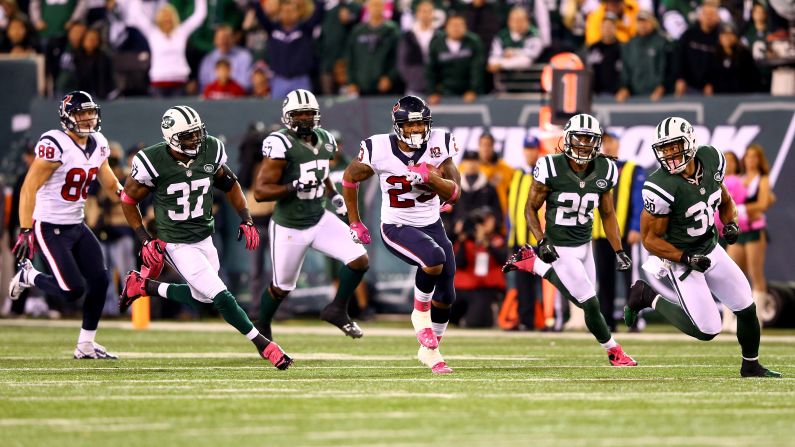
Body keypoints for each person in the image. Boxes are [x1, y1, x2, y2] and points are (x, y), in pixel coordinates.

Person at [116, 105, 292, 370]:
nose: (195, 140)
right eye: (188, 136)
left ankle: (143, 286)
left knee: (204, 297)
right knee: (222, 296)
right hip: (175, 241)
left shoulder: (210, 148)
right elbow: (128, 199)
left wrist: (246, 218)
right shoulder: (152, 161)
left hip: (204, 236)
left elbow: (231, 184)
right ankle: (264, 345)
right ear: (171, 137)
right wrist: (144, 238)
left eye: (197, 133)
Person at [626, 116, 780, 378]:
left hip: (710, 247)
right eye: (664, 148)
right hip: (681, 257)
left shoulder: (711, 160)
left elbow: (725, 199)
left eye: (675, 146)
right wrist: (685, 258)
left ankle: (751, 365)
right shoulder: (660, 186)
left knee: (746, 307)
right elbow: (650, 239)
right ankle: (646, 296)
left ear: (690, 142)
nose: (670, 154)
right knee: (707, 330)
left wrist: (730, 223)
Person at [502, 113, 637, 367]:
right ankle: (614, 351)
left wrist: (618, 250)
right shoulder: (550, 166)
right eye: (580, 138)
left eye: (590, 139)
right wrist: (542, 240)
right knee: (590, 303)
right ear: (567, 139)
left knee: (584, 301)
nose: (584, 144)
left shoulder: (606, 169)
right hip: (560, 244)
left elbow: (607, 213)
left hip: (585, 243)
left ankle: (535, 265)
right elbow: (530, 208)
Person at [341, 95, 462, 374]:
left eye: (421, 125)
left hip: (431, 223)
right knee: (434, 257)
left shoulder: (439, 144)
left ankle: (431, 353)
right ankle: (420, 316)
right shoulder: (378, 147)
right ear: (398, 127)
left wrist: (432, 179)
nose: (417, 130)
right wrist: (355, 221)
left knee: (447, 295)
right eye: (410, 126)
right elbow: (349, 178)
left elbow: (456, 192)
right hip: (396, 225)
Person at [9, 91, 123, 359]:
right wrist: (26, 229)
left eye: (89, 112)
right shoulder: (55, 143)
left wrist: (129, 196)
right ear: (67, 117)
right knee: (73, 291)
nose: (87, 118)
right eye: (80, 113)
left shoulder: (98, 143)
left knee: (100, 280)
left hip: (77, 224)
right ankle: (29, 276)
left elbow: (109, 184)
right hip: (49, 226)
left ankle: (85, 344)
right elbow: (28, 188)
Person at [252, 89, 369, 340]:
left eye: (309, 114)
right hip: (290, 226)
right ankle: (262, 324)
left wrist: (333, 194)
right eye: (299, 114)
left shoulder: (326, 139)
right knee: (281, 287)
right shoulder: (280, 143)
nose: (305, 119)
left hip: (319, 217)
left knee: (359, 259)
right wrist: (292, 186)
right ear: (287, 117)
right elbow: (261, 192)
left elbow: (322, 170)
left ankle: (337, 309)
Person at [591, 131, 645, 331]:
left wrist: (635, 227)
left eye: (610, 141)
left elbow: (639, 201)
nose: (607, 146)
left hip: (623, 235)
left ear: (618, 144)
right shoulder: (596, 169)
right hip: (601, 234)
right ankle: (607, 321)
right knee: (604, 279)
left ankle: (635, 319)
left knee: (630, 278)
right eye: (604, 142)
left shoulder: (631, 169)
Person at [730, 144, 775, 323]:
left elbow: (764, 203)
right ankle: (731, 318)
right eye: (748, 156)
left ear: (759, 160)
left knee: (755, 273)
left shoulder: (762, 179)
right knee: (734, 273)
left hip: (755, 230)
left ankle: (757, 319)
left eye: (754, 157)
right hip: (739, 230)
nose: (750, 160)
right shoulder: (738, 178)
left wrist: (741, 209)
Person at [124, 0, 207, 97]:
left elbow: (200, 16)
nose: (167, 19)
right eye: (164, 16)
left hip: (179, 84)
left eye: (169, 16)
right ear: (159, 18)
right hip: (158, 84)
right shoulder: (153, 33)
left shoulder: (181, 32)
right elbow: (137, 14)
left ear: (174, 18)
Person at [451, 207, 507, 328]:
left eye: (486, 220)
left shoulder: (497, 240)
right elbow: (459, 263)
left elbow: (503, 259)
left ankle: (488, 315)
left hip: (486, 287)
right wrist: (460, 238)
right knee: (442, 307)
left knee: (475, 322)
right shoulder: (466, 241)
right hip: (465, 286)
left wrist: (486, 243)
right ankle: (460, 318)